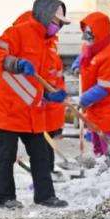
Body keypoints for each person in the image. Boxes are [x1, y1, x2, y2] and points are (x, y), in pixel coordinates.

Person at [0, 0, 70, 209]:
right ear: (44, 15)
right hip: (7, 109)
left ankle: (45, 195)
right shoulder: (17, 33)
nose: (58, 27)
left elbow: (45, 81)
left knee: (40, 154)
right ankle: (6, 198)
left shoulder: (49, 46)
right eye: (56, 21)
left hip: (32, 112)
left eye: (60, 23)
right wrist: (15, 63)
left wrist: (51, 96)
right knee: (7, 154)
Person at [77, 12, 110, 172]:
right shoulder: (94, 49)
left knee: (107, 142)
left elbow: (104, 87)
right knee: (97, 140)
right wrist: (78, 63)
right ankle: (99, 168)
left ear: (100, 33)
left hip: (109, 106)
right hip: (96, 106)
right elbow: (86, 57)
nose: (87, 39)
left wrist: (83, 99)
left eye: (90, 34)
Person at [44, 33, 67, 175]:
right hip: (50, 107)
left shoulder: (49, 57)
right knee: (46, 142)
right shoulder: (54, 56)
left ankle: (47, 171)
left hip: (48, 107)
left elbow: (57, 83)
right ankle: (48, 170)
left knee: (44, 143)